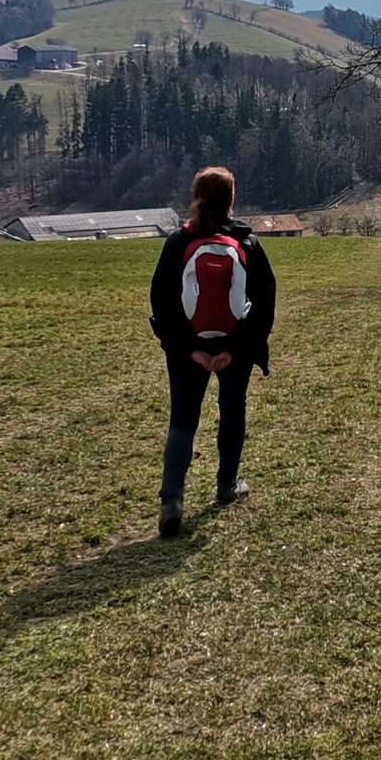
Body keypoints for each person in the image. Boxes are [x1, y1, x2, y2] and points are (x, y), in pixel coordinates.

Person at [149, 166, 276, 538]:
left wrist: (188, 349)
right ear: (232, 199)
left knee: (183, 419)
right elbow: (265, 303)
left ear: (196, 196)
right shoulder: (247, 243)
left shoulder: (178, 242)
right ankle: (226, 485)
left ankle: (172, 500)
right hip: (234, 348)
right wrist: (236, 350)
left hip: (187, 350)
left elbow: (161, 301)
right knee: (232, 410)